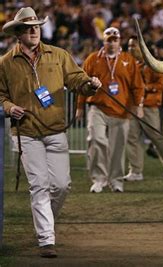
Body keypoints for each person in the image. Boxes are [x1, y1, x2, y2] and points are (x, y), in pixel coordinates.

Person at [0, 7, 101, 257]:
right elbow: (0, 95)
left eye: (37, 26)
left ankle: (47, 225)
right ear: (18, 33)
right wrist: (9, 106)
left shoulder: (58, 55)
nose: (34, 30)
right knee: (39, 185)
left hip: (56, 130)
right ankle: (47, 238)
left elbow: (77, 80)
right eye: (28, 27)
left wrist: (90, 85)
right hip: (26, 132)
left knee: (62, 185)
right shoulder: (4, 63)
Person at [76, 27, 144, 193]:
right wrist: (79, 107)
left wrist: (139, 105)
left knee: (118, 147)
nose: (112, 43)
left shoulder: (128, 60)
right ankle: (99, 179)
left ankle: (116, 180)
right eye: (109, 40)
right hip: (97, 107)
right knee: (96, 140)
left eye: (115, 40)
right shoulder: (92, 59)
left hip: (122, 109)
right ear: (104, 41)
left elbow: (137, 86)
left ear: (119, 41)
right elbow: (82, 85)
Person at [124, 36, 163, 181]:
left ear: (142, 47)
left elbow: (161, 84)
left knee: (156, 137)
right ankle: (136, 171)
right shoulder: (127, 63)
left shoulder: (152, 63)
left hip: (149, 105)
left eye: (133, 46)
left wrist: (145, 88)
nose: (130, 49)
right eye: (129, 46)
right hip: (132, 105)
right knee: (132, 137)